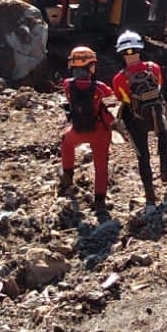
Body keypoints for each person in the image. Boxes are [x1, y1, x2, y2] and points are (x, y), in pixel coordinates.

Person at [111, 30, 167, 209]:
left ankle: (150, 197)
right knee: (164, 133)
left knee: (143, 156)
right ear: (140, 48)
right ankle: (164, 169)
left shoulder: (118, 78)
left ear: (121, 52)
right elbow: (159, 86)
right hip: (155, 114)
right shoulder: (154, 68)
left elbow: (122, 98)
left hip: (134, 119)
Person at [59, 45, 115, 218]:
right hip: (99, 132)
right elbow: (111, 95)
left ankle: (67, 175)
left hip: (77, 130)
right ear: (89, 66)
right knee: (101, 165)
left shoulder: (67, 84)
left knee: (66, 141)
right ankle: (99, 200)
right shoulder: (99, 87)